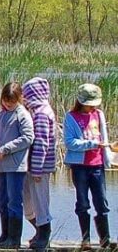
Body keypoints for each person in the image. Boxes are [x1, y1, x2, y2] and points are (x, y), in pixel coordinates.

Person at [0, 82, 35, 249]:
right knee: (2, 200)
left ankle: (14, 239)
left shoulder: (22, 115)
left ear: (19, 99)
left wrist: (6, 149)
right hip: (1, 166)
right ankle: (4, 235)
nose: (8, 104)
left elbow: (28, 137)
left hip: (16, 166)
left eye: (11, 101)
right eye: (6, 100)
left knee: (14, 202)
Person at [64, 83, 112, 249]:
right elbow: (70, 143)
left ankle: (105, 240)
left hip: (97, 165)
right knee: (83, 202)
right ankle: (86, 240)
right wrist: (92, 144)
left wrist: (108, 154)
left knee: (102, 203)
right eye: (89, 103)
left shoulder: (99, 115)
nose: (92, 106)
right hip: (80, 166)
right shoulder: (71, 117)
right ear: (81, 102)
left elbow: (104, 139)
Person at [23, 77, 57, 250]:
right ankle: (39, 230)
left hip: (40, 167)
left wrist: (36, 169)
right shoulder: (36, 112)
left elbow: (42, 143)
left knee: (40, 201)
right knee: (28, 201)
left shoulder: (42, 113)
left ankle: (44, 234)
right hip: (32, 165)